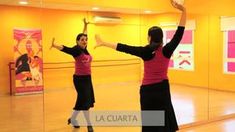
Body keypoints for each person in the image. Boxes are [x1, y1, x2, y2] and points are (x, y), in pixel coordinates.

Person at [94, 0, 186, 131]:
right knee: (164, 121)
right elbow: (179, 33)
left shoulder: (145, 51)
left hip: (148, 91)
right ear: (161, 38)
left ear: (149, 38)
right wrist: (184, 11)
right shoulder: (167, 50)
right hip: (162, 90)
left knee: (150, 122)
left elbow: (124, 48)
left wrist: (104, 43)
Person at [50, 18, 94, 132]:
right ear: (77, 41)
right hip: (79, 80)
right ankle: (89, 125)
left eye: (86, 40)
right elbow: (66, 49)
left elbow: (84, 34)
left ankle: (73, 119)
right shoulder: (76, 50)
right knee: (85, 101)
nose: (85, 41)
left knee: (82, 101)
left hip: (88, 79)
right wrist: (55, 45)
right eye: (82, 40)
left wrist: (85, 25)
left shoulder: (85, 49)